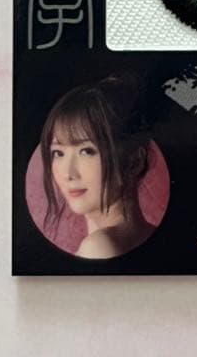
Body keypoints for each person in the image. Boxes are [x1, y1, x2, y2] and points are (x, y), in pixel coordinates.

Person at [39, 76, 156, 259]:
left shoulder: (98, 247)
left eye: (87, 151)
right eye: (58, 153)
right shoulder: (152, 235)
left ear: (135, 161)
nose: (68, 173)